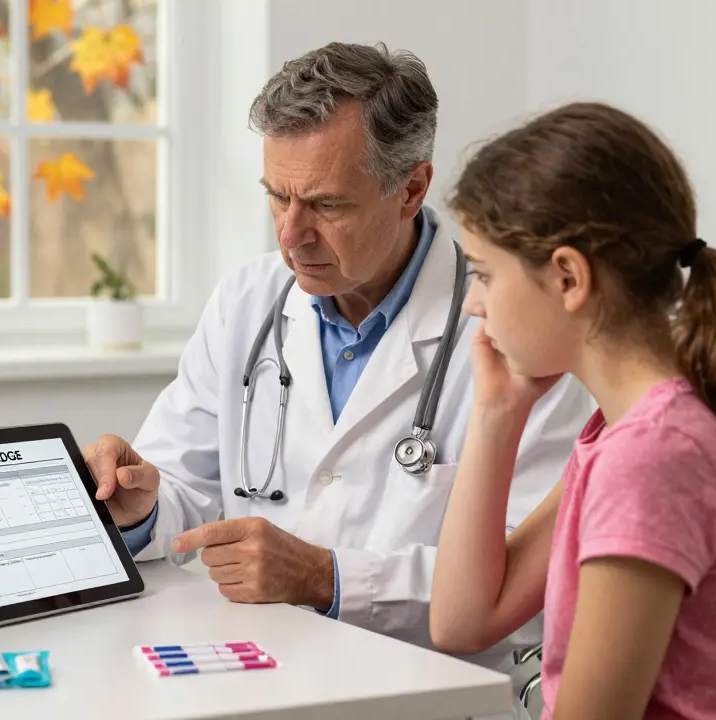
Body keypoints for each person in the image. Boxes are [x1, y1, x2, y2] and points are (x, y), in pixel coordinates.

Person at [82, 41, 596, 710]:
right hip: (255, 679)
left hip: (429, 694)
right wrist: (143, 504)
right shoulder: (247, 302)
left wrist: (331, 579)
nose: (291, 235)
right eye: (278, 197)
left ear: (411, 187)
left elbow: (533, 576)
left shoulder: (513, 320)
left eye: (326, 205)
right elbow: (185, 491)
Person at [428, 101, 716, 718]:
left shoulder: (654, 455)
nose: (473, 306)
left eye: (484, 275)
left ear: (568, 278)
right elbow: (461, 623)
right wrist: (496, 412)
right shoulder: (635, 430)